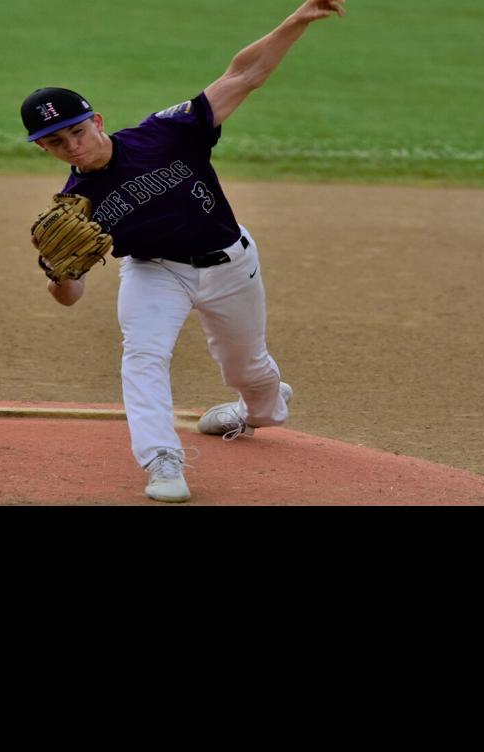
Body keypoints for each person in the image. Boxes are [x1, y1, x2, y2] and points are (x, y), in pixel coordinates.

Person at [20, 0, 347, 502]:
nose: (73, 146)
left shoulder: (166, 133)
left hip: (231, 263)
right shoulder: (76, 208)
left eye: (77, 131)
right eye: (57, 142)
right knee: (143, 356)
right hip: (155, 274)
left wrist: (298, 19)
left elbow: (244, 74)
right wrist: (57, 272)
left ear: (98, 120)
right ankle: (162, 460)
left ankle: (255, 409)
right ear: (44, 149)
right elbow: (71, 296)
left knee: (249, 372)